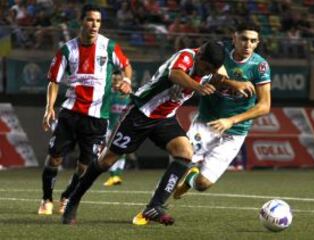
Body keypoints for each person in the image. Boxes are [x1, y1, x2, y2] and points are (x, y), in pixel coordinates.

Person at [62, 40, 228, 225]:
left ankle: (154, 206)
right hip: (140, 113)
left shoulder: (210, 68)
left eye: (212, 70)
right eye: (206, 68)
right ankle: (73, 200)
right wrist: (198, 87)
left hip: (165, 118)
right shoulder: (186, 56)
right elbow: (175, 74)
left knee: (185, 154)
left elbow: (219, 77)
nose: (208, 73)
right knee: (105, 161)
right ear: (199, 57)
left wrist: (235, 84)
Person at [38, 4, 132, 215]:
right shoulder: (67, 50)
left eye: (98, 21)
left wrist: (126, 80)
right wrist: (49, 108)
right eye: (90, 20)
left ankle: (67, 196)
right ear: (81, 22)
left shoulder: (109, 47)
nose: (94, 25)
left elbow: (126, 65)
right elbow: (53, 80)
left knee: (85, 166)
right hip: (70, 113)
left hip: (97, 118)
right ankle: (46, 199)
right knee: (55, 158)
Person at [171, 22, 271, 203]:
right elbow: (207, 71)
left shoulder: (259, 67)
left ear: (257, 43)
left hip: (235, 131)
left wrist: (231, 121)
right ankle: (155, 205)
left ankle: (190, 180)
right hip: (207, 122)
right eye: (244, 39)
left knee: (202, 184)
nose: (248, 45)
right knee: (179, 161)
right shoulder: (219, 52)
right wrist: (232, 83)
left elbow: (264, 106)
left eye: (253, 41)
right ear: (234, 38)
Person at [103, 90, 136, 187]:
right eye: (114, 80)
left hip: (120, 128)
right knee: (116, 152)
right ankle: (115, 176)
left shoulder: (129, 97)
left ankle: (114, 176)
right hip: (113, 128)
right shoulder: (111, 95)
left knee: (116, 152)